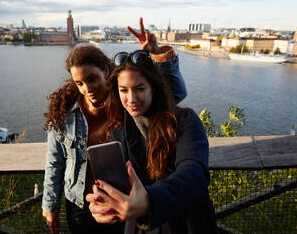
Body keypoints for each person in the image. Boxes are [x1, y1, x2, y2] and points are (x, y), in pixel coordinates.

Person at [42, 17, 187, 234]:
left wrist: (158, 55)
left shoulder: (124, 101)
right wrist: (50, 206)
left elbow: (174, 94)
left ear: (106, 72)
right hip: (82, 203)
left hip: (123, 198)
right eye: (79, 83)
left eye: (92, 79)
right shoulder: (64, 115)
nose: (87, 89)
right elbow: (54, 163)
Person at [86, 49, 218, 233]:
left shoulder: (184, 120)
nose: (131, 99)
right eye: (123, 90)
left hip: (187, 224)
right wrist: (107, 203)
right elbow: (123, 187)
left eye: (139, 89)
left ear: (154, 88)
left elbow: (194, 173)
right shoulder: (119, 131)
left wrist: (150, 200)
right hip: (141, 227)